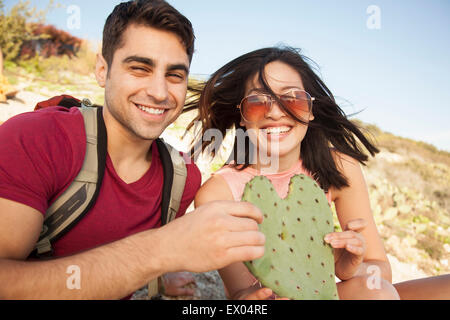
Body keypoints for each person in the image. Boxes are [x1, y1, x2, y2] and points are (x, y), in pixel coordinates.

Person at [0, 0, 265, 299]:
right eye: (140, 68)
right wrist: (161, 248)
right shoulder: (35, 139)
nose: (159, 92)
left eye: (175, 75)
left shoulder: (182, 178)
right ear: (102, 70)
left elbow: (123, 272)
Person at [192, 46, 401, 300]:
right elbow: (241, 294)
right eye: (258, 102)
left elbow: (381, 272)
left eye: (293, 99)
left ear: (311, 110)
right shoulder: (218, 194)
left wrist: (347, 267)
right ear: (242, 116)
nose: (276, 112)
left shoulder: (340, 168)